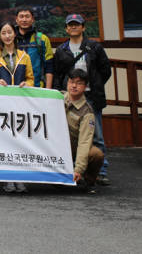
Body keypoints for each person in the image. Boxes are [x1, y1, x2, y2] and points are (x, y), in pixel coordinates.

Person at [53, 13, 112, 186]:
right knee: (66, 134)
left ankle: (101, 171)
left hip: (91, 97)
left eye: (77, 24)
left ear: (83, 27)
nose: (73, 27)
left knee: (97, 135)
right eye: (70, 25)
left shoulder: (94, 47)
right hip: (69, 98)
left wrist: (96, 85)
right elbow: (58, 74)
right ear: (66, 28)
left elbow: (105, 70)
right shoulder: (62, 50)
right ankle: (71, 169)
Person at [0, 21, 34, 194]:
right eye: (3, 33)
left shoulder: (24, 56)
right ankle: (8, 179)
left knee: (20, 141)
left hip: (20, 104)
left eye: (9, 32)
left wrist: (26, 84)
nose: (7, 35)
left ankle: (21, 178)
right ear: (0, 36)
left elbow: (30, 78)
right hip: (1, 104)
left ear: (14, 35)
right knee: (5, 141)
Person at [64, 69, 104, 194]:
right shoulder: (57, 97)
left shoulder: (87, 112)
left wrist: (78, 169)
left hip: (73, 147)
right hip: (55, 146)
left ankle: (87, 182)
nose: (74, 86)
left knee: (96, 154)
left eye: (79, 83)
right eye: (71, 82)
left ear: (86, 87)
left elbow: (84, 142)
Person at [14, 7, 54, 88]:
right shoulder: (11, 39)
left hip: (37, 87)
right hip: (15, 88)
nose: (24, 20)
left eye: (27, 16)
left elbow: (49, 66)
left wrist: (48, 90)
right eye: (21, 16)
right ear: (16, 20)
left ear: (32, 19)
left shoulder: (42, 39)